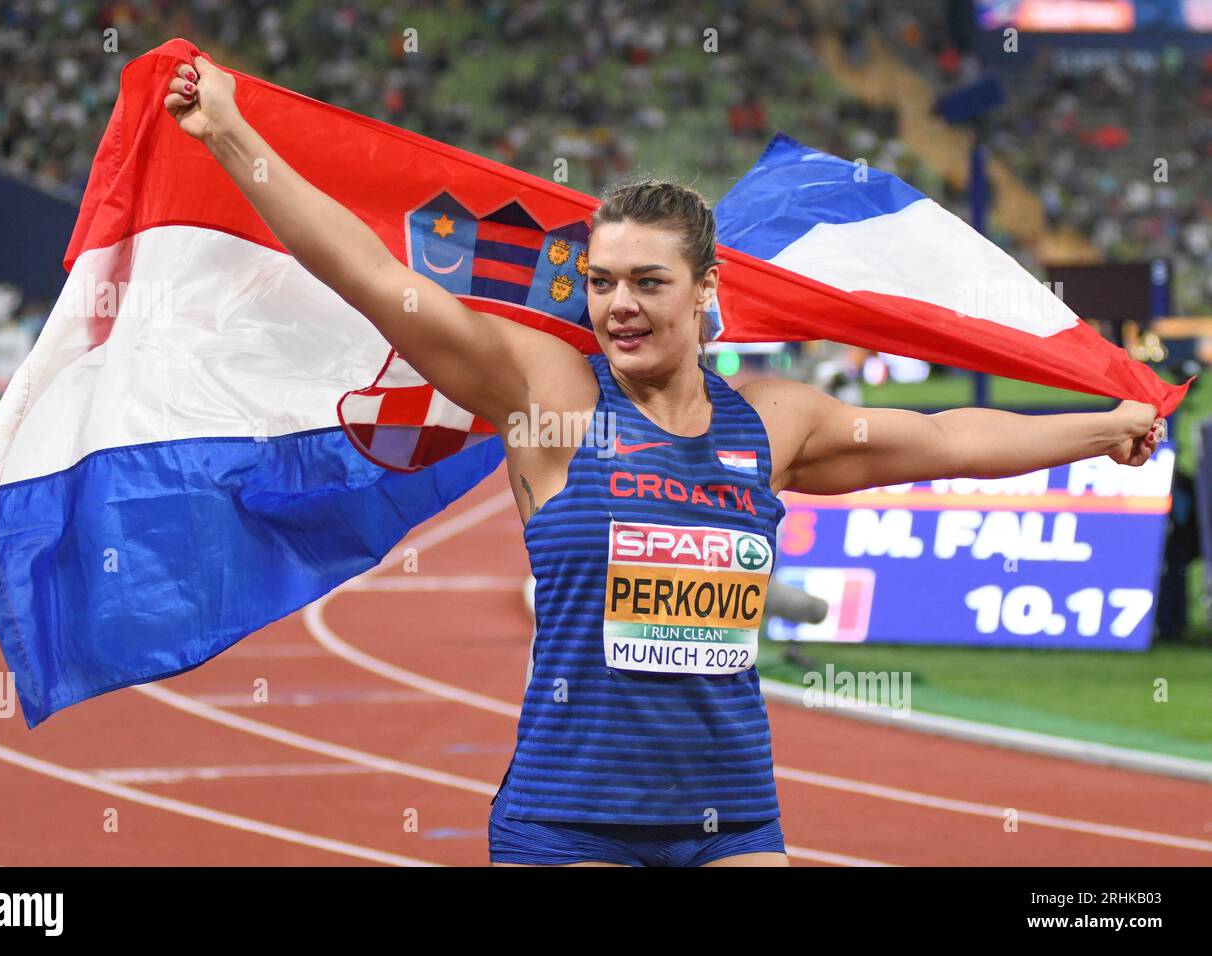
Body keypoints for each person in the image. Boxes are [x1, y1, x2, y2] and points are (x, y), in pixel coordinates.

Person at [163, 56, 1162, 867]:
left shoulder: (771, 423)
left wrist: (1102, 425)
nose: (619, 305)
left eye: (648, 280)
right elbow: (374, 275)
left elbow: (946, 441)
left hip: (731, 816)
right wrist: (231, 134)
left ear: (705, 294)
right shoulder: (550, 400)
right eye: (600, 282)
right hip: (569, 822)